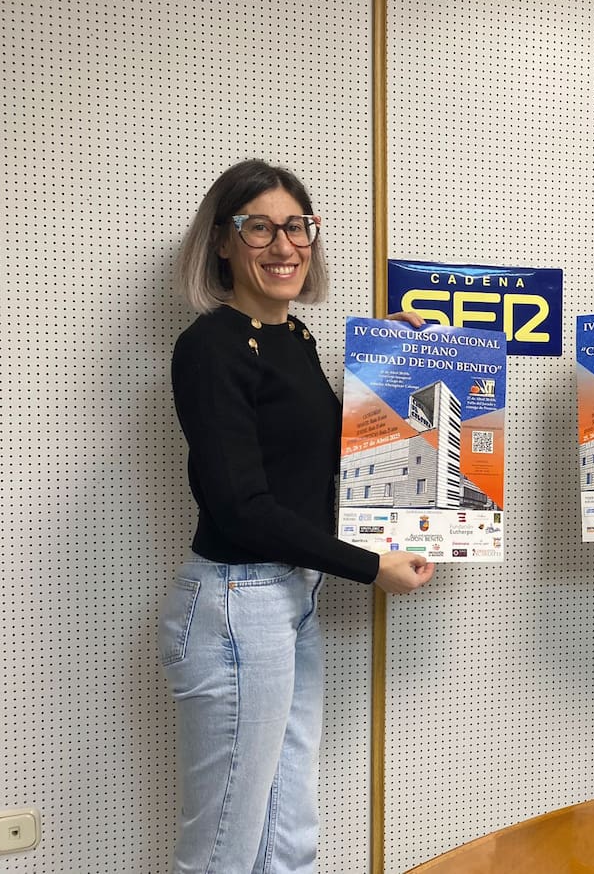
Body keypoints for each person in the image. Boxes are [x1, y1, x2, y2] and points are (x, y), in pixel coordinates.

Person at [159, 159, 436, 874]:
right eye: (259, 228)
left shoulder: (297, 339)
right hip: (236, 604)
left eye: (296, 226)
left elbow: (321, 457)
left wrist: (389, 362)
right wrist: (370, 567)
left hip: (288, 597)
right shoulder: (210, 347)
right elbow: (243, 509)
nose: (283, 246)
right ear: (223, 243)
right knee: (224, 847)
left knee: (288, 832)